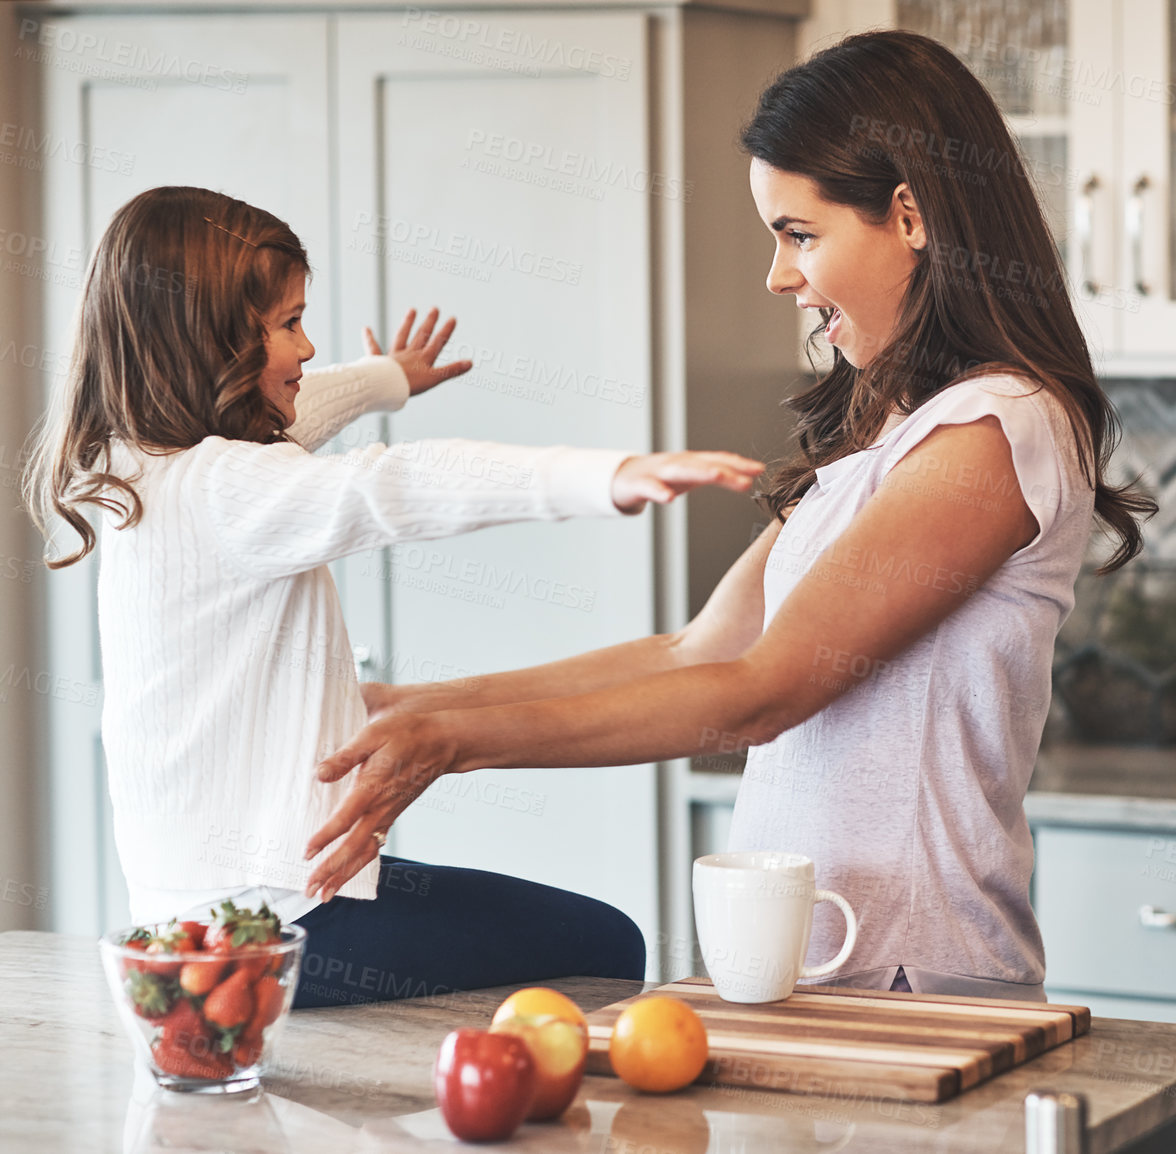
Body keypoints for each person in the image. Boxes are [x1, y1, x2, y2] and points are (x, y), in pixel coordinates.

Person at [301, 30, 1157, 1000]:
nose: (778, 275)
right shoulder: (886, 430)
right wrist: (414, 707)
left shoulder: (995, 431)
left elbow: (763, 691)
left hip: (913, 977)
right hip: (810, 968)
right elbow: (694, 652)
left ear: (910, 215)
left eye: (799, 232)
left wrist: (458, 743)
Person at [25, 186, 763, 1005]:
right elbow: (394, 484)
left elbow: (303, 417)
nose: (307, 349)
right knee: (604, 944)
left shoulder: (143, 466)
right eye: (288, 324)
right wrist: (605, 477)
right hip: (275, 927)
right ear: (213, 340)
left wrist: (386, 378)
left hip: (191, 916)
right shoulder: (230, 489)